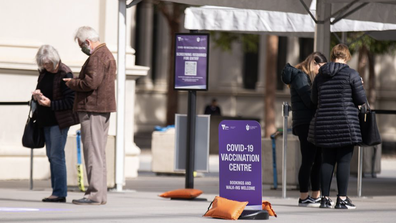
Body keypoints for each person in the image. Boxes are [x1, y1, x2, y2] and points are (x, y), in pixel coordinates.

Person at [308, 44, 367, 209]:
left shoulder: (321, 75)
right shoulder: (352, 74)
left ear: (332, 55)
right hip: (346, 123)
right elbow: (361, 99)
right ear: (347, 56)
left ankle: (325, 199)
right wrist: (360, 84)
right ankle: (342, 199)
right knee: (343, 161)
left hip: (324, 122)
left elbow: (314, 99)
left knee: (326, 160)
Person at [64, 26, 116, 205]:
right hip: (102, 108)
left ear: (87, 41)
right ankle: (99, 195)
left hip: (93, 109)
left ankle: (94, 194)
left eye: (81, 45)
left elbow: (90, 83)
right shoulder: (106, 53)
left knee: (92, 152)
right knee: (99, 152)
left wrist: (72, 82)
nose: (82, 49)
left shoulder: (97, 56)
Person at [32, 45, 79, 203]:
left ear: (55, 60)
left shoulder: (65, 73)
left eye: (47, 63)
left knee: (56, 156)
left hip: (59, 121)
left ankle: (59, 193)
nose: (45, 66)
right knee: (52, 156)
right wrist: (36, 96)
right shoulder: (44, 73)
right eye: (43, 64)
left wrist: (50, 104)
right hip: (45, 120)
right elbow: (41, 90)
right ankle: (57, 191)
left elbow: (70, 102)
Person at [281, 52, 327, 207]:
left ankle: (315, 195)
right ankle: (304, 196)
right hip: (305, 124)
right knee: (308, 160)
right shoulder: (301, 76)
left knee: (317, 159)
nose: (320, 71)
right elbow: (310, 101)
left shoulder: (303, 76)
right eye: (320, 67)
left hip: (308, 122)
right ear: (314, 62)